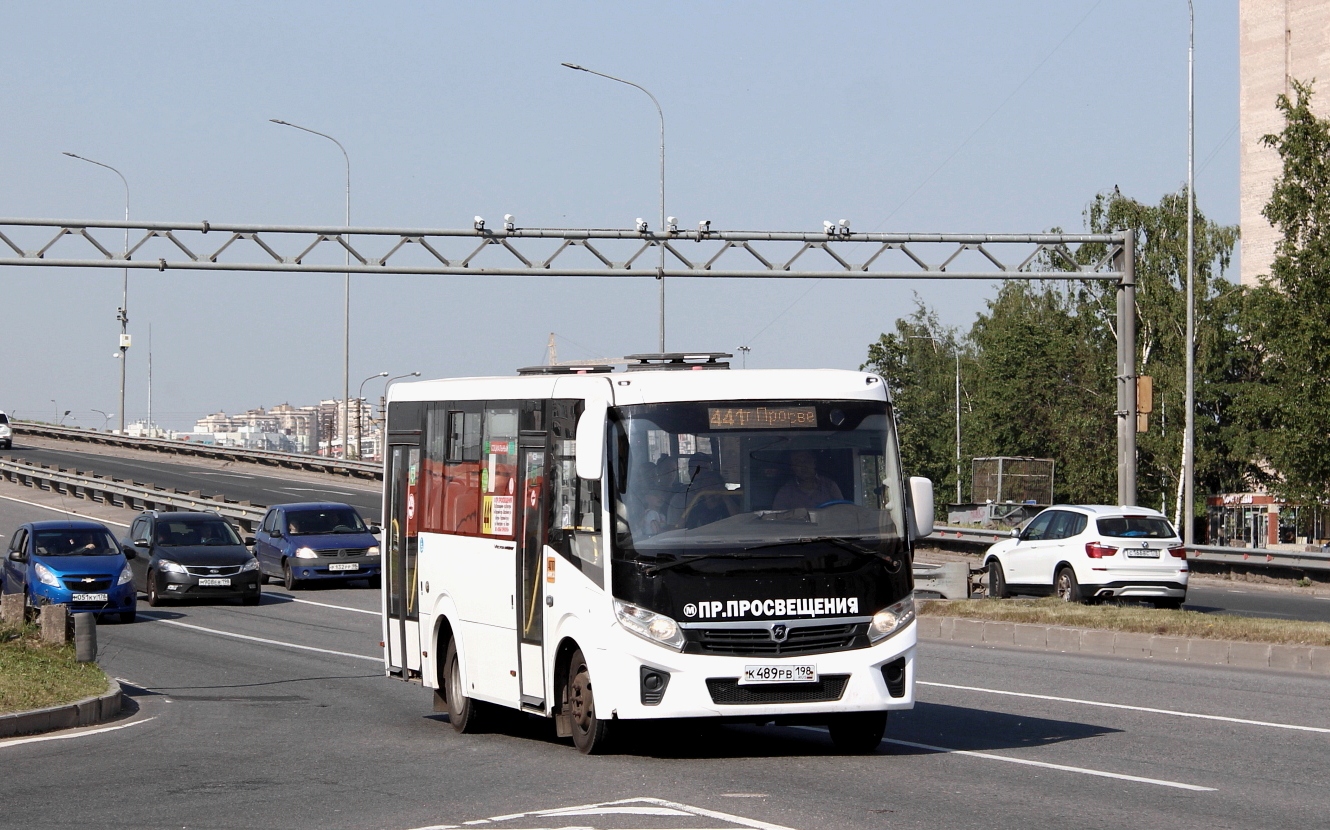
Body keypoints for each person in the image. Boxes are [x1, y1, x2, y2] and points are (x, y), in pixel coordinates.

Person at [773, 450, 844, 510]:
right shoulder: (785, 492)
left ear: (814, 462)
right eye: (797, 462)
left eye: (807, 460)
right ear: (792, 467)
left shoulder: (830, 486)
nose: (803, 466)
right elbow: (778, 521)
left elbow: (843, 512)